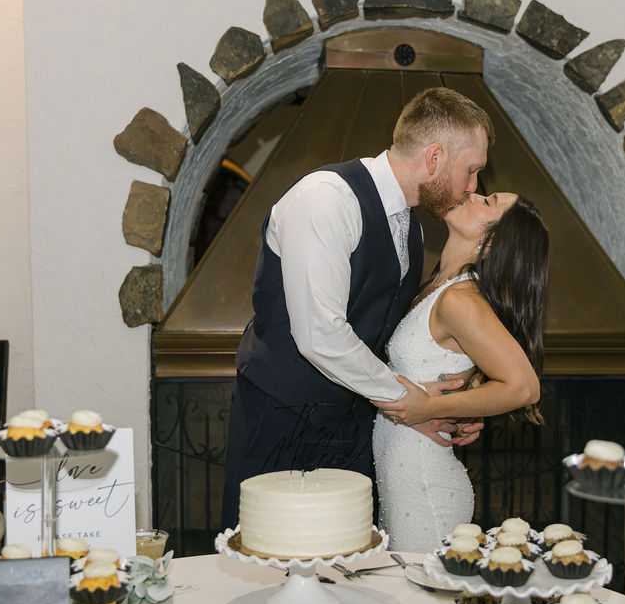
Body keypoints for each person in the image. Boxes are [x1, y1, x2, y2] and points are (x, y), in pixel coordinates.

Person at [221, 88, 495, 527]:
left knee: (349, 573)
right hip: (282, 420)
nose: (472, 187)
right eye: (472, 170)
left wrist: (451, 402)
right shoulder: (325, 198)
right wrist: (412, 402)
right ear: (435, 157)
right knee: (272, 562)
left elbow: (391, 335)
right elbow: (319, 335)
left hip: (355, 426)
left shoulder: (412, 229)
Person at [372, 192, 549, 552]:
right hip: (405, 479)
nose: (473, 193)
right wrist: (466, 400)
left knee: (421, 603)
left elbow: (524, 387)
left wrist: (431, 408)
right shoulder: (438, 286)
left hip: (425, 487)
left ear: (489, 241)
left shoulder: (460, 299)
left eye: (488, 201)